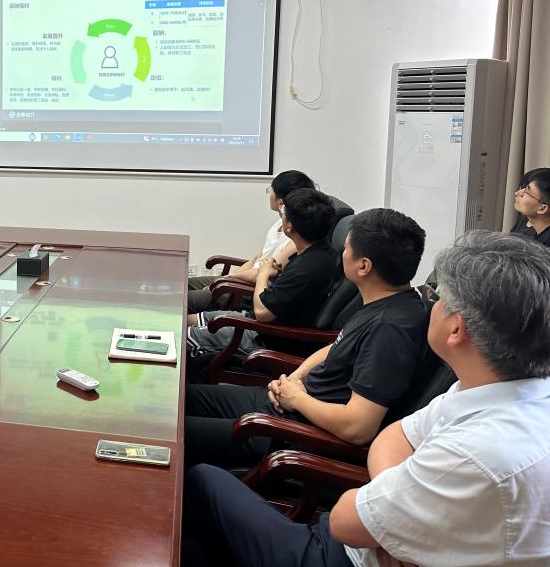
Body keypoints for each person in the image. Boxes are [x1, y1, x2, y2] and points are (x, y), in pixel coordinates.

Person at [182, 230, 550, 567]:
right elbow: (396, 436)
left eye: (437, 298)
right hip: (366, 533)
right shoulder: (489, 388)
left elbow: (344, 521)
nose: (430, 304)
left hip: (337, 554)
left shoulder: (480, 452)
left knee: (201, 480)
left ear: (457, 328)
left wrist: (393, 503)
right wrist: (399, 497)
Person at [184, 208, 430, 469]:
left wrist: (297, 400)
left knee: (171, 432)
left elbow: (358, 427)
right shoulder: (384, 300)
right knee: (178, 402)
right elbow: (335, 347)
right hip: (287, 402)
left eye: (346, 248)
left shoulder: (391, 329)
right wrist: (294, 379)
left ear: (363, 266)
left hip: (287, 434)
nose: (341, 253)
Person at [187, 188, 338, 360]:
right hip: (255, 321)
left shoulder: (305, 269)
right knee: (185, 320)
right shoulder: (321, 252)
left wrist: (263, 275)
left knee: (180, 336)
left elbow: (262, 312)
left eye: (283, 212)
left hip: (264, 337)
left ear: (289, 226)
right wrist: (269, 274)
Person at [187, 170, 314, 315]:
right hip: (239, 280)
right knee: (182, 285)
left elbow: (264, 273)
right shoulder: (280, 223)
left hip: (248, 290)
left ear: (280, 202)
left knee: (179, 300)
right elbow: (256, 259)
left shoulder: (294, 238)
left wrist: (227, 280)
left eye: (271, 190)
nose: (269, 194)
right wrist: (227, 278)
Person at [511, 167, 550, 247]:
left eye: (527, 191)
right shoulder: (525, 220)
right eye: (523, 187)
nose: (517, 193)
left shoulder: (545, 247)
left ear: (542, 208)